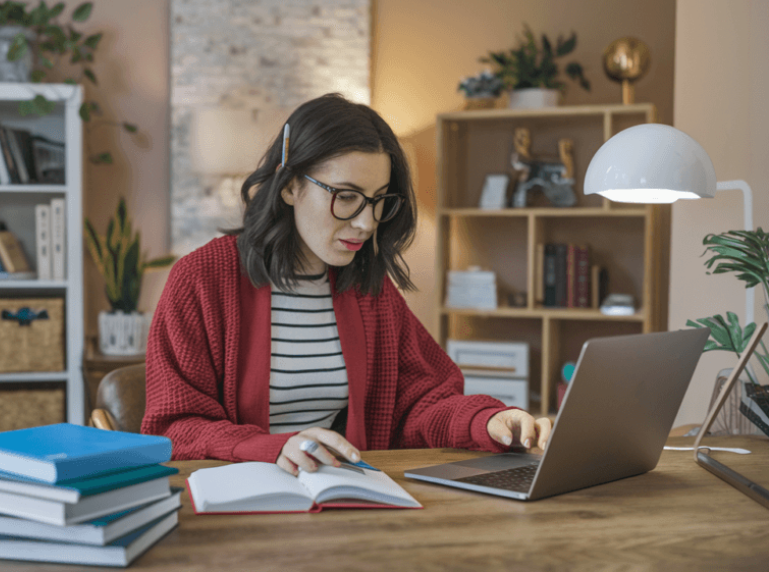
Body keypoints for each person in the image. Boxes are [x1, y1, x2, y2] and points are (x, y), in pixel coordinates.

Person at [142, 93, 552, 475]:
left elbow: (421, 402)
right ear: (289, 185)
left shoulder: (366, 288)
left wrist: (488, 421)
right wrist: (273, 447)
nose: (366, 222)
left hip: (337, 495)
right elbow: (174, 426)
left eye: (378, 200)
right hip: (238, 500)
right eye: (346, 196)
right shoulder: (202, 278)